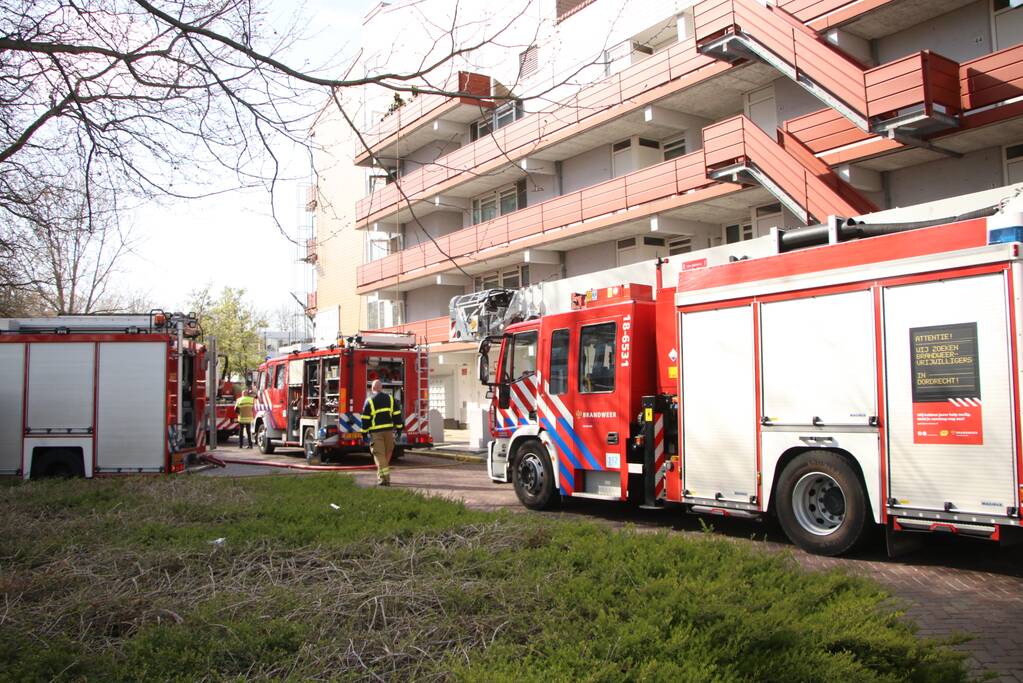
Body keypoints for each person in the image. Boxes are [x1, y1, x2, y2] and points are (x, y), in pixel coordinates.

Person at [360, 379, 402, 486]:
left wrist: (364, 434)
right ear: (382, 388)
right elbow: (397, 415)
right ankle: (382, 477)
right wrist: (399, 430)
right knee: (387, 453)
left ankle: (385, 479)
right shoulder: (391, 399)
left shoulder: (369, 400)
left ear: (372, 389)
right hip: (389, 432)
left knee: (379, 455)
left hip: (376, 433)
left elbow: (365, 419)